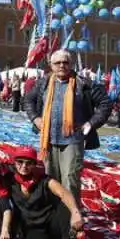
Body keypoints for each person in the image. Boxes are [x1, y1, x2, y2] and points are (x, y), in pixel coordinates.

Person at [23, 49, 112, 204]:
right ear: (51, 65)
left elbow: (105, 103)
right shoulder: (43, 83)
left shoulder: (83, 84)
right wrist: (35, 118)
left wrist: (90, 123)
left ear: (71, 64)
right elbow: (28, 100)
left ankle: (71, 219)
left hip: (73, 140)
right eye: (58, 63)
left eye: (65, 62)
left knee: (70, 180)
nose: (62, 65)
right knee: (50, 179)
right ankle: (52, 216)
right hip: (48, 140)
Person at [8, 146, 84, 239]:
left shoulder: (44, 180)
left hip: (51, 223)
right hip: (33, 228)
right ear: (14, 162)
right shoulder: (9, 178)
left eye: (29, 163)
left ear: (34, 164)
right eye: (20, 162)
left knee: (65, 207)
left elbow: (63, 193)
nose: (24, 166)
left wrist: (75, 212)